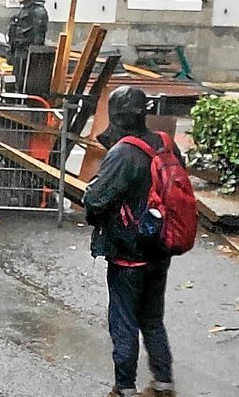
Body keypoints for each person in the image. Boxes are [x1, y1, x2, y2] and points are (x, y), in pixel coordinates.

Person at [85, 87, 184, 397]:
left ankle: (124, 388)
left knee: (123, 320)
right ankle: (163, 382)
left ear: (116, 116)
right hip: (161, 248)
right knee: (153, 318)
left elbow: (96, 200)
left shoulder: (123, 152)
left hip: (129, 252)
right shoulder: (165, 144)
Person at [6, 0, 49, 92]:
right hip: (18, 52)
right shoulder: (22, 10)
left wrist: (33, 54)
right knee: (16, 79)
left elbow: (38, 36)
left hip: (28, 53)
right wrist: (11, 51)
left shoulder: (38, 12)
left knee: (25, 81)